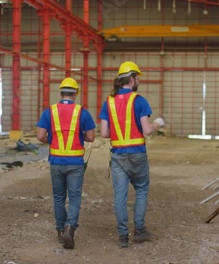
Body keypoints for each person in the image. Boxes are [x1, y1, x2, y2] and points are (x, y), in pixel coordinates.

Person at [99, 61, 165, 248]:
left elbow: (104, 133)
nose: (139, 81)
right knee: (142, 189)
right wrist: (158, 124)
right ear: (131, 79)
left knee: (120, 195)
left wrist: (120, 133)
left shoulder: (109, 102)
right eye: (137, 77)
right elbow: (146, 130)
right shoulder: (139, 100)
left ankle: (122, 236)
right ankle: (139, 231)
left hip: (118, 155)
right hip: (137, 154)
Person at [37, 77, 96, 249]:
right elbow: (91, 137)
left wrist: (52, 139)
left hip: (56, 161)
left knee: (59, 197)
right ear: (75, 94)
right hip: (75, 162)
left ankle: (59, 229)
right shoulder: (82, 112)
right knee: (75, 196)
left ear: (61, 92)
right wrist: (80, 136)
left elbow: (40, 136)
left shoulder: (50, 111)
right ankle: (70, 228)